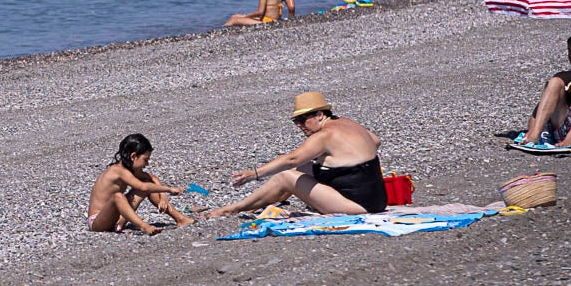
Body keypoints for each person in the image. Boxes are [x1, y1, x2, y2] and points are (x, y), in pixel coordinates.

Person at [205, 92, 386, 218]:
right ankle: (270, 199)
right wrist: (344, 157)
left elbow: (292, 158)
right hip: (378, 199)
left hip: (358, 207)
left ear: (320, 114)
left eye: (303, 119)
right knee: (300, 169)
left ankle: (233, 209)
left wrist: (254, 174)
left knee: (285, 175)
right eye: (296, 122)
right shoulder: (347, 123)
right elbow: (375, 141)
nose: (300, 125)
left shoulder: (324, 136)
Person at [87, 134, 193, 235]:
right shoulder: (118, 171)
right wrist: (169, 189)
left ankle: (180, 219)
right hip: (98, 222)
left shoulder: (129, 169)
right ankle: (143, 226)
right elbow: (142, 186)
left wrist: (163, 197)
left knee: (147, 184)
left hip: (115, 219)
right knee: (118, 196)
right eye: (145, 160)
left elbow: (151, 178)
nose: (147, 164)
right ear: (133, 156)